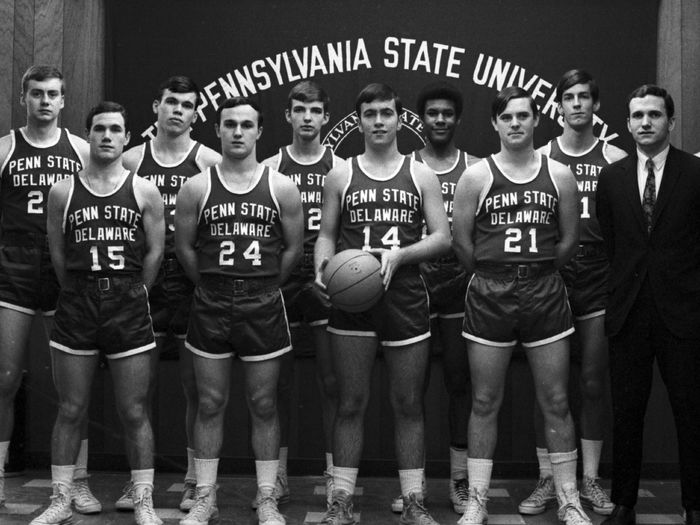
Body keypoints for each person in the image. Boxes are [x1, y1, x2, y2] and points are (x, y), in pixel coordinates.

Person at [452, 86, 589, 525]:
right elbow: (462, 243)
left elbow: (568, 241)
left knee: (556, 398)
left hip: (544, 288)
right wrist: (497, 273)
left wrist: (534, 272)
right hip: (491, 289)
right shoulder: (476, 176)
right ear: (495, 123)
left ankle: (569, 497)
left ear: (536, 121)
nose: (515, 124)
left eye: (523, 116)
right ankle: (477, 499)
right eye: (507, 117)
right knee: (485, 399)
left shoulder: (560, 175)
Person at [314, 83, 451, 525]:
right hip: (352, 300)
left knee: (409, 402)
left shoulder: (420, 174)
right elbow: (328, 236)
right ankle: (341, 501)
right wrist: (322, 265)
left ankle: (413, 501)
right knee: (350, 401)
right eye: (369, 113)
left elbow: (442, 238)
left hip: (405, 295)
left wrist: (401, 255)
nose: (377, 121)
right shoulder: (341, 174)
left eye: (386, 113)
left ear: (398, 119)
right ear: (358, 121)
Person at [31, 101, 165, 525]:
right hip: (77, 301)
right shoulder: (62, 191)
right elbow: (57, 253)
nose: (107, 136)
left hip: (127, 301)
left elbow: (155, 251)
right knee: (70, 408)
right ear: (87, 135)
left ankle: (143, 499)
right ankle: (60, 498)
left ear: (128, 138)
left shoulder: (144, 190)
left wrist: (131, 290)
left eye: (115, 130)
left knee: (134, 410)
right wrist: (85, 288)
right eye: (100, 129)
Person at [175, 96, 303, 525]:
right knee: (210, 402)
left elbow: (293, 250)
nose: (237, 132)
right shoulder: (197, 187)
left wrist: (262, 286)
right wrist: (215, 286)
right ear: (218, 129)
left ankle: (267, 496)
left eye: (246, 125)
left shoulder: (281, 186)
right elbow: (185, 251)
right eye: (229, 124)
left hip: (263, 300)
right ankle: (205, 496)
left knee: (264, 402)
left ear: (259, 131)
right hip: (211, 298)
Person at [519, 70, 626, 517]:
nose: (578, 104)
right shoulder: (541, 156)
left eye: (585, 97)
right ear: (557, 107)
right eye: (569, 98)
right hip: (553, 273)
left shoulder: (617, 157)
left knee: (593, 381)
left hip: (601, 273)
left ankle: (590, 480)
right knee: (553, 387)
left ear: (596, 105)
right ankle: (550, 478)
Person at [596, 85, 700, 525]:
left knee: (692, 414)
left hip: (684, 313)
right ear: (627, 123)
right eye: (637, 115)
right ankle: (624, 504)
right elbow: (613, 243)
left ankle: (694, 505)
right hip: (630, 312)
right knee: (626, 413)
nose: (645, 123)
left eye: (654, 115)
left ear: (670, 122)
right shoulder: (613, 177)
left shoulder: (695, 173)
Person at [0, 65, 101, 514]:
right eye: (37, 93)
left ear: (64, 101)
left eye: (53, 94)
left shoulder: (80, 151)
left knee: (72, 392)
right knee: (3, 380)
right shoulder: (4, 149)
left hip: (65, 267)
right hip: (14, 266)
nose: (44, 101)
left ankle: (75, 481)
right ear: (23, 97)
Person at [120, 75, 221, 513]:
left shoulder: (209, 161)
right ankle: (136, 482)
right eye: (170, 102)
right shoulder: (129, 161)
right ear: (156, 107)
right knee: (136, 388)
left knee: (194, 388)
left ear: (196, 114)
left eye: (187, 104)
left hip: (189, 276)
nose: (177, 110)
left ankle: (192, 478)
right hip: (143, 276)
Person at [392, 81, 479, 516]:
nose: (440, 120)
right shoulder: (404, 167)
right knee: (413, 390)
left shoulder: (477, 168)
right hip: (416, 286)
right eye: (432, 113)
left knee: (460, 383)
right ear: (420, 119)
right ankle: (414, 484)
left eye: (447, 113)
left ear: (457, 119)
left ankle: (460, 479)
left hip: (463, 286)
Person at [261, 80, 342, 508]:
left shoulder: (342, 167)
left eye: (314, 110)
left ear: (326, 116)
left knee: (332, 382)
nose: (307, 117)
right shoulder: (271, 167)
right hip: (284, 278)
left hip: (329, 278)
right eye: (299, 109)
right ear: (287, 116)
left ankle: (334, 476)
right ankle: (276, 478)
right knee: (278, 386)